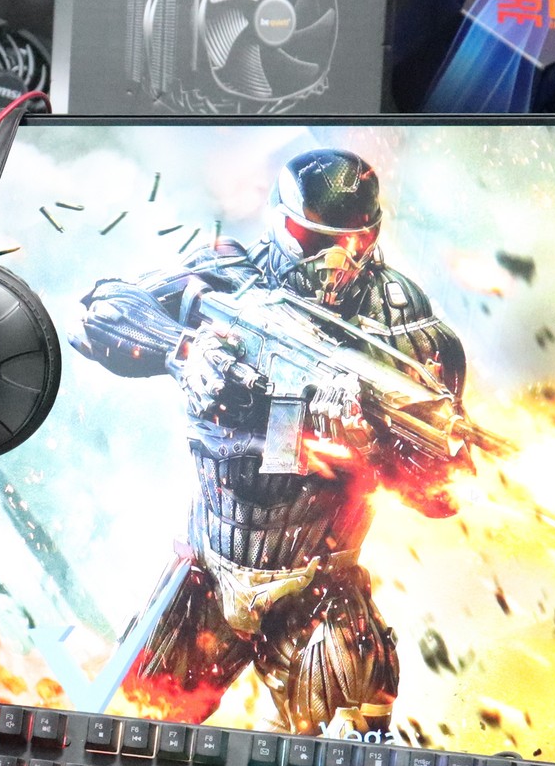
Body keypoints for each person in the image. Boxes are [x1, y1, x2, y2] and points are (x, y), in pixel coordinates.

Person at [76, 148, 471, 736]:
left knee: (347, 750)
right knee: (132, 732)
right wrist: (185, 351)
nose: (335, 262)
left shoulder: (405, 329)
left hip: (319, 587)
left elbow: (446, 492)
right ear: (281, 222)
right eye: (313, 240)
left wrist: (372, 447)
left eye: (354, 243)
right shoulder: (229, 278)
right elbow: (97, 314)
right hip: (208, 571)